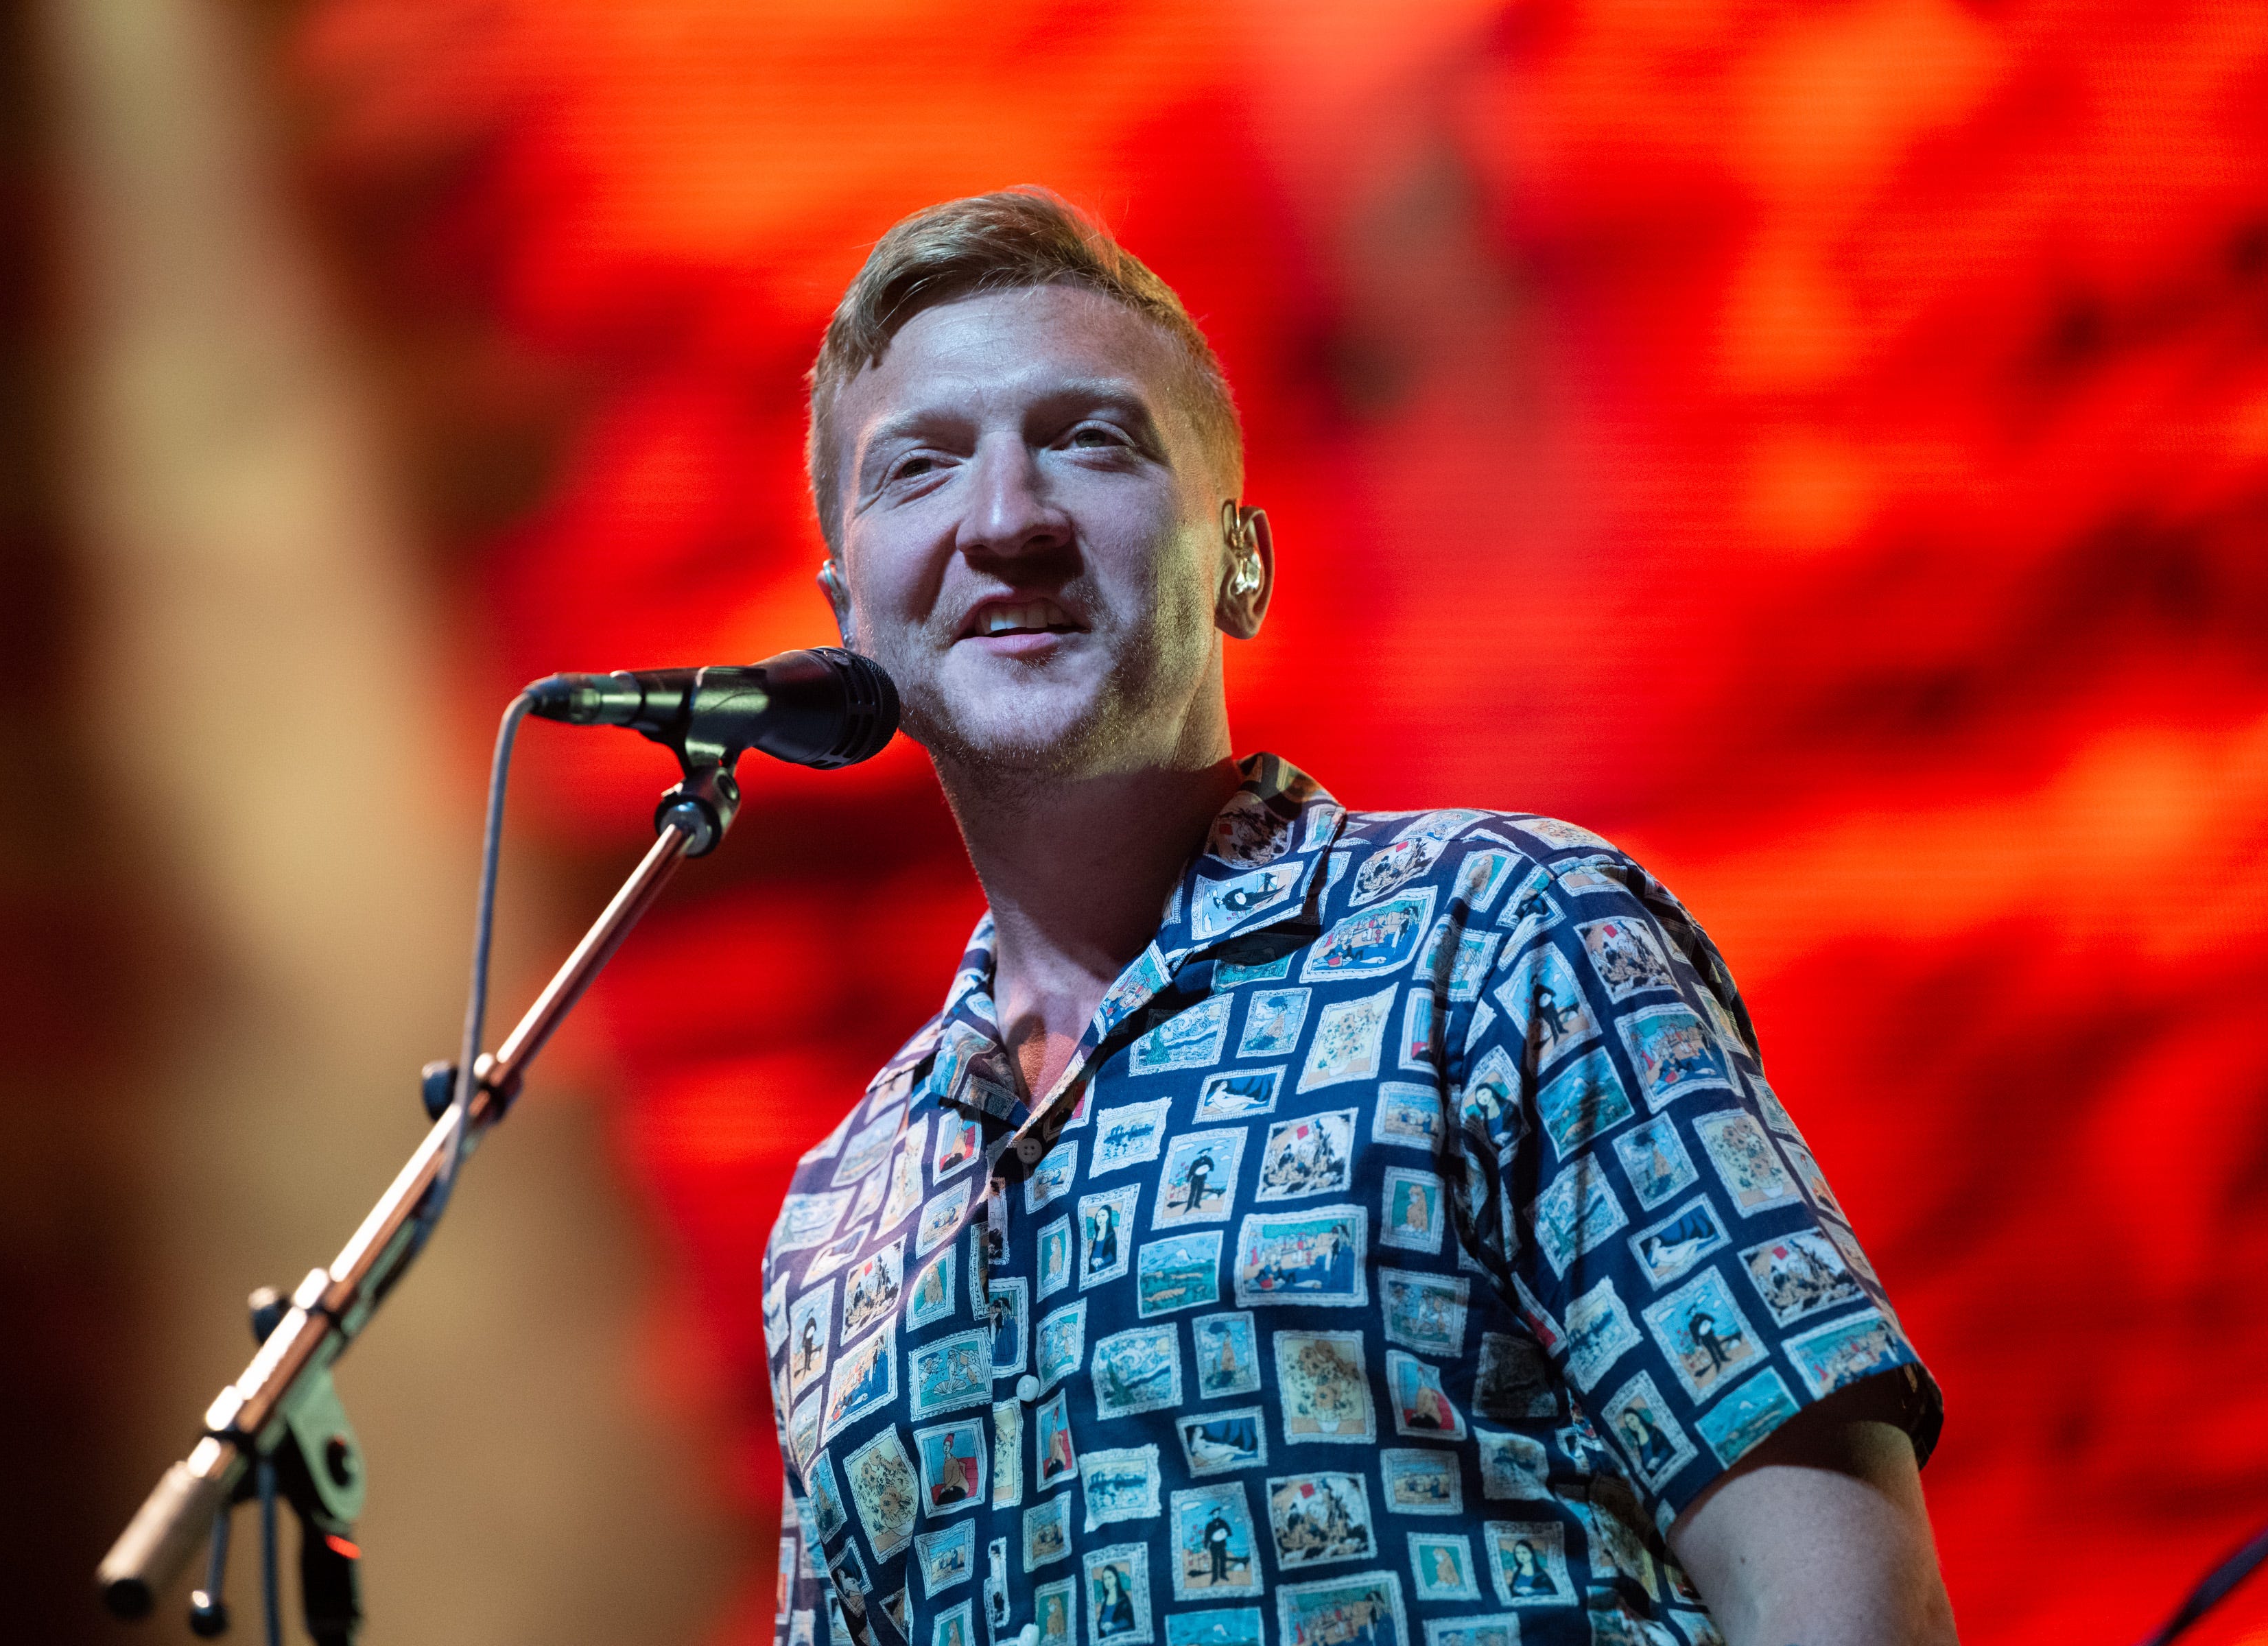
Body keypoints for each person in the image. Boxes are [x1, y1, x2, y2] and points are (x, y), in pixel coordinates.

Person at [765, 189, 1954, 1646]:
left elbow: (1837, 1597)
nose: (1005, 516)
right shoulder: (840, 1227)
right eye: (921, 468)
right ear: (848, 619)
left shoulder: (1506, 938)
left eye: (1089, 438)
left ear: (1242, 564)